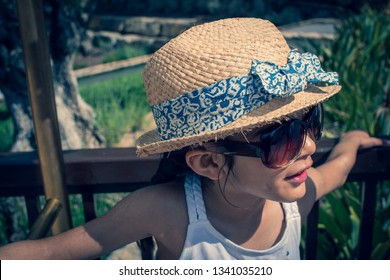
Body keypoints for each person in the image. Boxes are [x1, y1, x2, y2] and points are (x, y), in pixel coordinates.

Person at [0, 17, 384, 260]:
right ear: (209, 161)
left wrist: (350, 140)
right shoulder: (166, 211)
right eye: (282, 137)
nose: (311, 146)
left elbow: (340, 167)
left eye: (310, 121)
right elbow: (51, 251)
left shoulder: (299, 199)